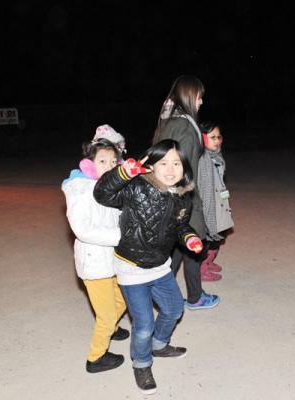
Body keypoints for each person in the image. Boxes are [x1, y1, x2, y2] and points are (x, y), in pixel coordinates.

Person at [94, 139, 202, 395]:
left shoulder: (182, 197)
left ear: (184, 167)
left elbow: (180, 225)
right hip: (132, 267)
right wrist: (123, 173)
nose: (170, 169)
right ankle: (142, 364)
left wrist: (189, 237)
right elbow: (102, 194)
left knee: (174, 308)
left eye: (176, 163)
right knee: (143, 324)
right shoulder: (137, 187)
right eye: (163, 163)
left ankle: (159, 344)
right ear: (150, 166)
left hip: (160, 266)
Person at [61, 135, 129, 373]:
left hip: (112, 259)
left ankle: (111, 327)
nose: (109, 167)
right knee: (106, 314)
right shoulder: (81, 191)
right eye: (102, 161)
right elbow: (82, 229)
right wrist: (121, 236)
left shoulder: (110, 187)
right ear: (89, 165)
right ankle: (96, 357)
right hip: (94, 263)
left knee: (123, 297)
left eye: (113, 162)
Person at [152, 75, 220, 310]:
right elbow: (179, 168)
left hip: (175, 196)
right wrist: (189, 201)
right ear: (189, 96)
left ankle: (162, 293)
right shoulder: (184, 127)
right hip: (183, 197)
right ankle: (195, 297)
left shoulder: (171, 120)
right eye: (199, 97)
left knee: (178, 248)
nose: (201, 102)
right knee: (194, 242)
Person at [197, 121, 234, 281]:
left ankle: (209, 261)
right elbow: (203, 189)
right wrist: (207, 213)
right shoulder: (202, 159)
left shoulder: (216, 155)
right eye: (212, 137)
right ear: (202, 138)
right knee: (209, 236)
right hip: (209, 205)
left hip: (219, 201)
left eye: (219, 137)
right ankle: (202, 268)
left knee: (220, 233)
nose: (217, 140)